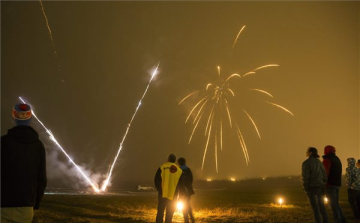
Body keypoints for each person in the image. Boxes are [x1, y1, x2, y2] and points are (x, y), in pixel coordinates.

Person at [1, 103, 47, 223]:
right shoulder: (38, 146)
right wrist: (35, 203)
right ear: (30, 118)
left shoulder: (2, 142)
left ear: (13, 117)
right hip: (26, 207)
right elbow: (41, 179)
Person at [302, 147, 328, 223]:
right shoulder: (319, 162)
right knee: (322, 207)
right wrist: (324, 184)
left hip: (312, 187)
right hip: (321, 187)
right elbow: (324, 175)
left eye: (307, 151)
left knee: (315, 209)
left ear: (310, 152)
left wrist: (305, 188)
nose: (306, 152)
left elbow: (305, 177)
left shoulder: (306, 163)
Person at [154, 154, 183, 223]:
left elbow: (156, 179)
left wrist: (159, 189)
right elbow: (181, 183)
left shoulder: (162, 167)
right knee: (170, 213)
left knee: (160, 212)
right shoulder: (179, 170)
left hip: (162, 194)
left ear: (168, 159)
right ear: (174, 160)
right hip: (173, 195)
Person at [323, 145, 347, 223]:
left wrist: (323, 183)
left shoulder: (327, 160)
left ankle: (338, 221)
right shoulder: (337, 159)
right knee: (336, 203)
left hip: (330, 184)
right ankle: (343, 220)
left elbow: (325, 172)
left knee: (333, 205)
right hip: (337, 184)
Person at [177, 157, 195, 223]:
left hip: (182, 191)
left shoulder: (178, 170)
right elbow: (191, 180)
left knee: (184, 205)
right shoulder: (188, 170)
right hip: (188, 190)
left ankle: (186, 219)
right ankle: (192, 218)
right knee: (188, 204)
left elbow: (177, 181)